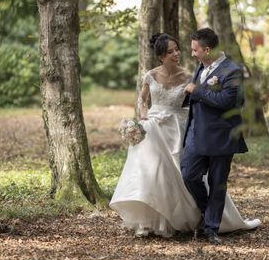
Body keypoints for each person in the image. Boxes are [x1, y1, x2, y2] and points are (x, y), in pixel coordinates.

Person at [111, 33, 259, 238]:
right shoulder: (158, 74)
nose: (180, 54)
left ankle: (208, 223)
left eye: (181, 49)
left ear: (205, 50)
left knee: (205, 178)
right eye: (171, 51)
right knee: (167, 173)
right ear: (161, 56)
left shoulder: (202, 72)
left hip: (185, 128)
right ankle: (169, 217)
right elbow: (142, 100)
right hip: (160, 128)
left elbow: (217, 100)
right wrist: (144, 117)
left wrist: (197, 96)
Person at [181, 28, 250, 244]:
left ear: (207, 49)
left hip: (222, 135)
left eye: (195, 50)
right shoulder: (201, 66)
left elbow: (228, 101)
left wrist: (197, 90)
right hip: (196, 133)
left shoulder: (232, 71)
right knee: (189, 175)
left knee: (217, 182)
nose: (193, 54)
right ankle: (208, 211)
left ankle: (211, 228)